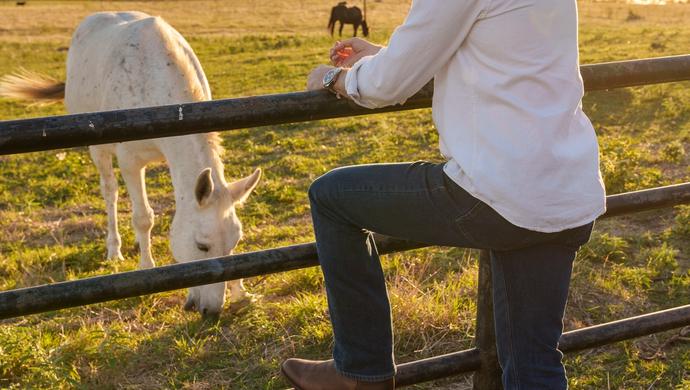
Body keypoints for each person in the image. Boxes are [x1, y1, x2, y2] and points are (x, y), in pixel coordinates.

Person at [281, 0, 606, 389]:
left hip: (496, 192)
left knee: (331, 197)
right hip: (562, 189)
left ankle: (361, 371)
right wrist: (389, 56)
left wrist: (332, 77)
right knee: (533, 362)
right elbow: (493, 53)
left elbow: (385, 85)